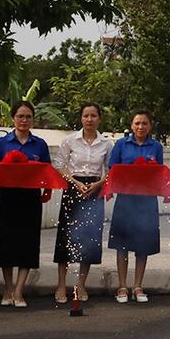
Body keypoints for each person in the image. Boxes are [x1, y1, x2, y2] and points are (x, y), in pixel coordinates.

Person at [0, 100, 52, 308]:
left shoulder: (40, 144)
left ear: (33, 120)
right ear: (13, 118)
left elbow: (46, 171)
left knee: (28, 243)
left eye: (28, 117)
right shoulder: (2, 143)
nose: (24, 120)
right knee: (6, 243)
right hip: (8, 198)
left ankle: (19, 290)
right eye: (20, 116)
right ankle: (8, 288)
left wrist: (47, 190)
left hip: (30, 199)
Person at [52, 103, 111, 304]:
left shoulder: (106, 144)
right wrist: (75, 183)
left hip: (94, 190)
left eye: (93, 115)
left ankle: (80, 284)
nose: (89, 119)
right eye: (86, 115)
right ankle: (61, 284)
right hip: (72, 188)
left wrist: (98, 184)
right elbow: (59, 165)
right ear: (81, 118)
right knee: (65, 237)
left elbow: (110, 170)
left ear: (99, 118)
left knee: (89, 238)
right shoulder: (70, 140)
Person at [108, 109, 165, 303]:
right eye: (137, 123)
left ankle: (138, 286)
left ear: (150, 126)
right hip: (125, 199)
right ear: (132, 125)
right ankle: (122, 286)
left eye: (145, 123)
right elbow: (113, 169)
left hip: (147, 200)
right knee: (122, 245)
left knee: (143, 245)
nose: (141, 127)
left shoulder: (156, 147)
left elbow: (159, 173)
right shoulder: (121, 144)